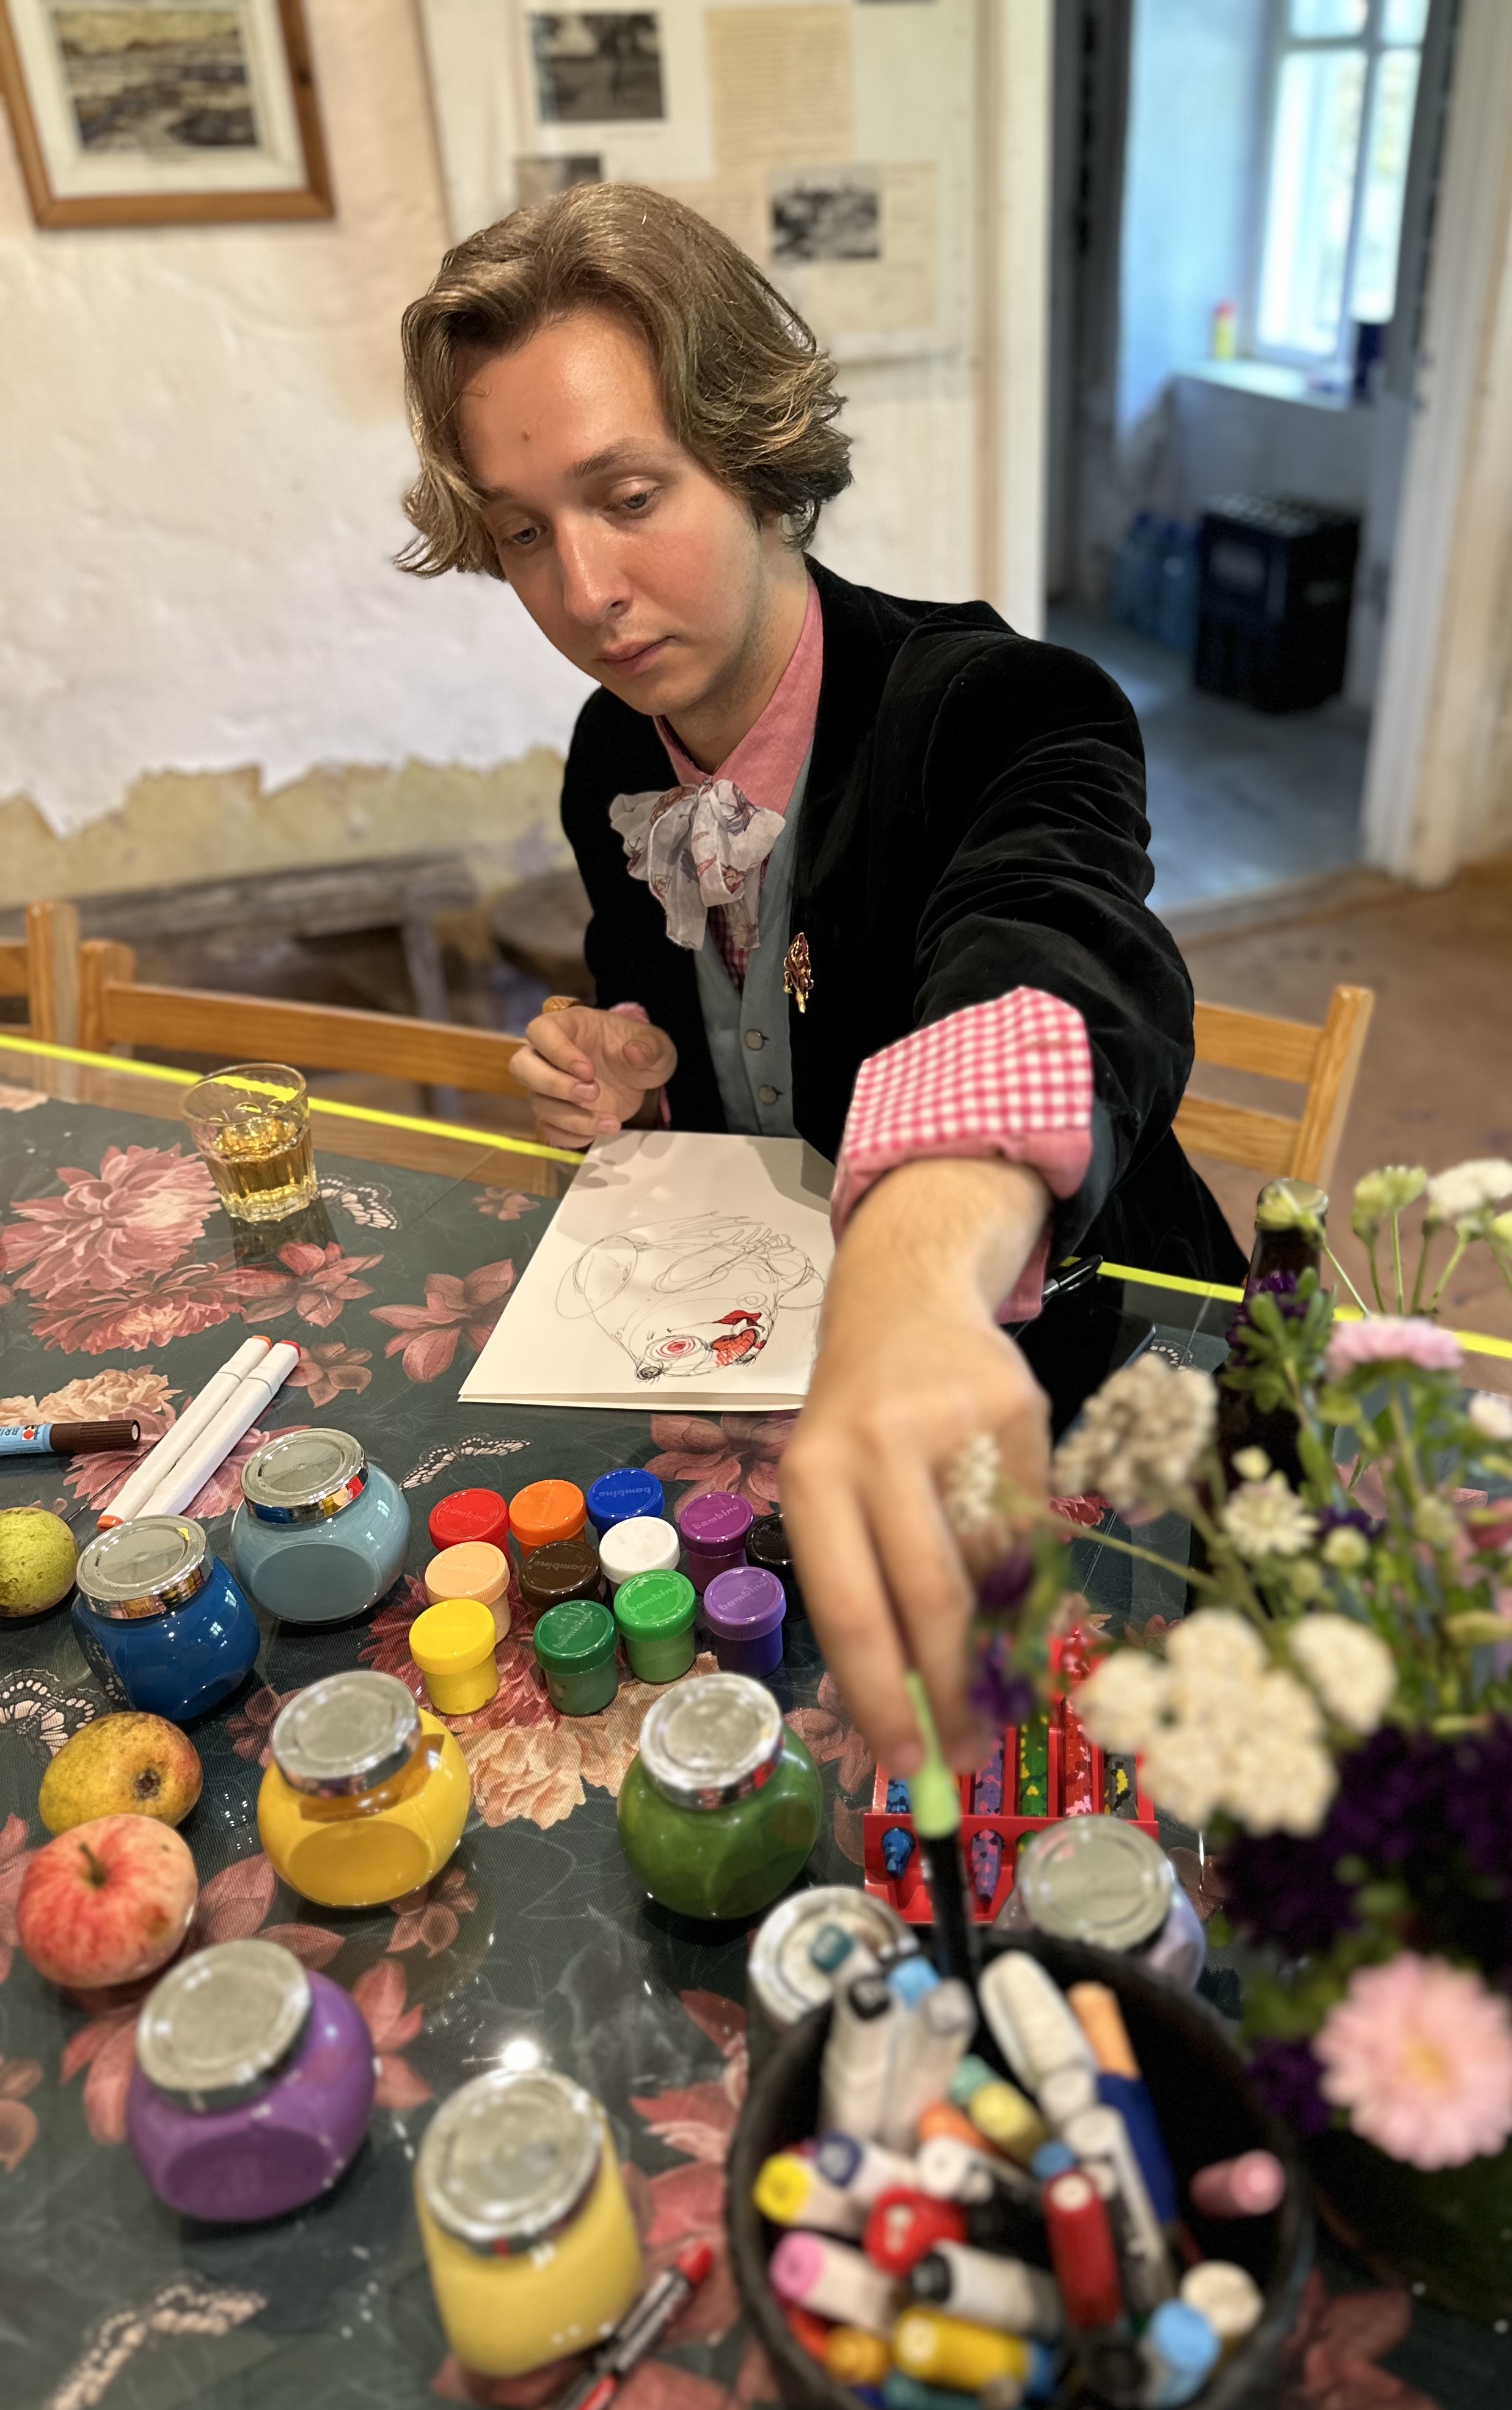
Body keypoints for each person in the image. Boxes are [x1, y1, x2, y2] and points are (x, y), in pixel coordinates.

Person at [397, 184, 1243, 1776]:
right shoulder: (611, 755)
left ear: (756, 451)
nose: (583, 590)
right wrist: (632, 1063)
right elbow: (680, 1006)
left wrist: (914, 1280)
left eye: (629, 496)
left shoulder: (1003, 707)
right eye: (523, 533)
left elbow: (1055, 946)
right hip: (775, 1377)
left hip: (1091, 1369)